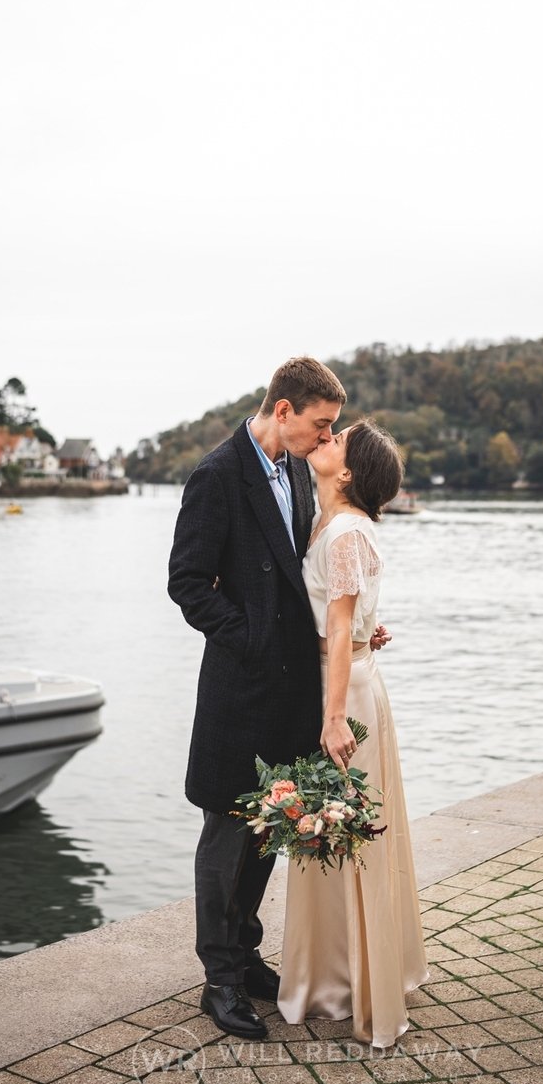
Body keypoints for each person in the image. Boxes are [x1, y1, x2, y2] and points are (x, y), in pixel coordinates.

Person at [168, 356, 352, 1040]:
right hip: (238, 690)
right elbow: (187, 583)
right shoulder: (216, 476)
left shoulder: (298, 472)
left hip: (289, 694)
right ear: (283, 411)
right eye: (320, 424)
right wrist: (248, 637)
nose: (325, 439)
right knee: (225, 835)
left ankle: (244, 957)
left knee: (272, 829)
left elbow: (295, 576)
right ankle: (217, 978)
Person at [277, 418, 428, 1048]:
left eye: (336, 440)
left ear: (348, 473)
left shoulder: (341, 531)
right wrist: (370, 629)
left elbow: (338, 629)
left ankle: (345, 979)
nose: (324, 438)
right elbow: (349, 617)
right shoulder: (339, 525)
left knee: (347, 834)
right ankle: (343, 971)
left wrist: (333, 717)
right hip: (354, 677)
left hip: (343, 692)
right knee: (340, 832)